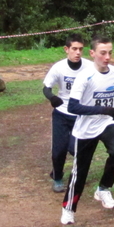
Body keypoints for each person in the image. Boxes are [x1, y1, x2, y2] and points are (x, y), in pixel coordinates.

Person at [61, 36, 114, 225]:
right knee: (80, 172)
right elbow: (73, 107)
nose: (107, 57)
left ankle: (104, 189)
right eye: (103, 53)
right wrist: (101, 109)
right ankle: (68, 209)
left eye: (110, 53)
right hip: (85, 129)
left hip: (106, 123)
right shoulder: (84, 77)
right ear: (93, 54)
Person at [42, 34, 92, 192]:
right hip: (62, 113)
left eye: (80, 49)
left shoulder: (90, 67)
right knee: (59, 149)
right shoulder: (59, 67)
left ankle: (78, 175)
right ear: (66, 49)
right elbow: (46, 87)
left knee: (76, 148)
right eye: (74, 49)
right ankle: (57, 178)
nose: (78, 52)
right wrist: (52, 98)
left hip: (81, 114)